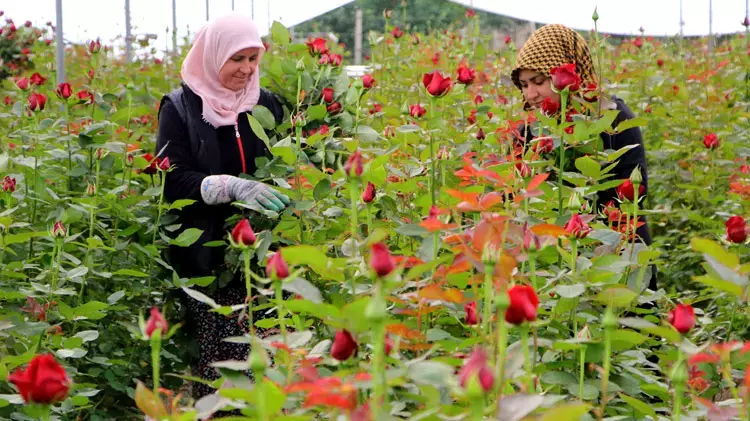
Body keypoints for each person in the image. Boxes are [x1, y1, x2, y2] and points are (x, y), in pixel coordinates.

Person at [155, 12, 290, 400]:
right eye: (237, 59)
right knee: (219, 375)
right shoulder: (180, 108)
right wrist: (228, 186)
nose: (247, 69)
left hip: (263, 259)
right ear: (214, 56)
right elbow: (172, 178)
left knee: (264, 366)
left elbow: (289, 162)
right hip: (207, 259)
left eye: (253, 59)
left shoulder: (265, 106)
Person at [510, 24, 656, 287]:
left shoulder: (613, 120)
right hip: (550, 268)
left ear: (570, 73)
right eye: (523, 85)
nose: (530, 94)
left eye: (539, 82)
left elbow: (631, 199)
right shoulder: (530, 134)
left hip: (615, 259)